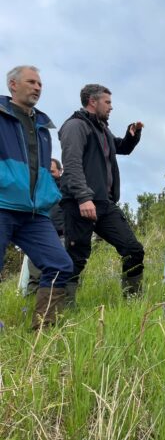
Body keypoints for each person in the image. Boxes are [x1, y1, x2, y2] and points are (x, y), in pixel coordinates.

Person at [0, 65, 73, 329]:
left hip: (34, 213)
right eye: (31, 82)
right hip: (3, 204)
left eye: (40, 84)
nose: (37, 87)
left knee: (60, 264)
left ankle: (44, 329)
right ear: (13, 85)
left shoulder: (42, 127)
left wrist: (49, 193)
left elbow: (43, 169)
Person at [59, 84, 144, 306]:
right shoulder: (75, 126)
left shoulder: (102, 131)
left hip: (104, 204)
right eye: (107, 102)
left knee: (133, 249)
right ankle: (63, 312)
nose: (111, 107)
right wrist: (83, 197)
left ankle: (133, 304)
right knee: (75, 259)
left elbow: (121, 148)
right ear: (92, 101)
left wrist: (132, 136)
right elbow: (72, 163)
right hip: (80, 202)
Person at [26, 158, 65, 295]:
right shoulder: (35, 189)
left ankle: (61, 305)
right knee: (35, 275)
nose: (49, 175)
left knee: (61, 272)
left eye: (52, 171)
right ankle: (29, 308)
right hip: (37, 237)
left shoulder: (67, 189)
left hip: (61, 236)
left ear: (60, 171)